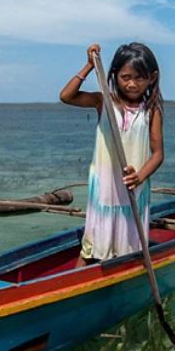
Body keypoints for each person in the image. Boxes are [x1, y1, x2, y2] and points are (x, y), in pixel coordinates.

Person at [59, 42, 164, 266]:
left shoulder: (152, 110)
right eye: (125, 77)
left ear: (152, 78)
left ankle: (125, 272)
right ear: (114, 75)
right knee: (92, 244)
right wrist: (89, 66)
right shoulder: (103, 101)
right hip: (105, 186)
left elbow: (157, 154)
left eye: (139, 78)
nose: (132, 84)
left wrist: (140, 176)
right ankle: (78, 282)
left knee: (129, 244)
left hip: (133, 188)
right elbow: (66, 96)